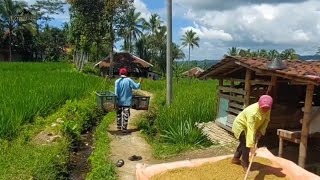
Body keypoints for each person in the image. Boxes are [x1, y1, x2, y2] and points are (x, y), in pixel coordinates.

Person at [231, 95, 273, 170]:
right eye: (263, 108)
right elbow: (251, 130)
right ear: (259, 105)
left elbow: (266, 120)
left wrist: (260, 131)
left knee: (243, 143)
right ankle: (245, 164)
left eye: (267, 108)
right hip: (241, 126)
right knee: (246, 145)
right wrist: (252, 147)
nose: (265, 110)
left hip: (251, 127)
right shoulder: (252, 113)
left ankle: (235, 158)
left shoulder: (268, 108)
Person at [114, 68, 143, 133]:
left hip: (118, 101)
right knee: (125, 115)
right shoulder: (129, 80)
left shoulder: (117, 81)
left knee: (119, 114)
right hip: (127, 102)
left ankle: (119, 127)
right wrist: (139, 82)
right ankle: (124, 129)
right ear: (126, 74)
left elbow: (116, 92)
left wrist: (116, 100)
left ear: (120, 73)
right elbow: (136, 87)